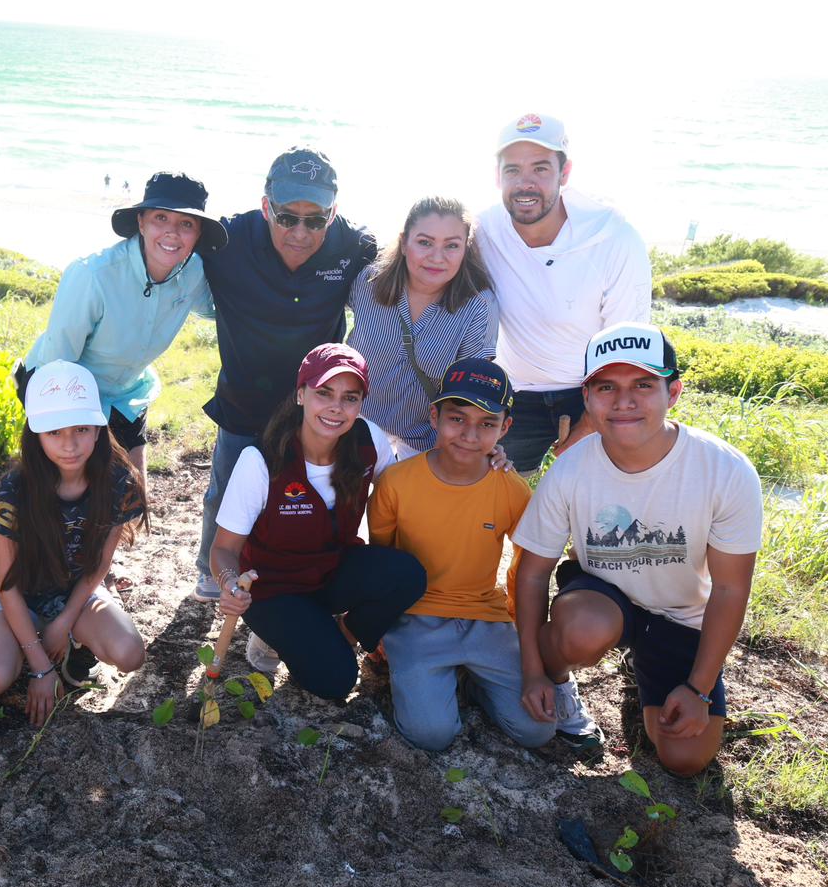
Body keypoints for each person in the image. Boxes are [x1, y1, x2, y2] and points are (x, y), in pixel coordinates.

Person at [512, 323, 762, 775]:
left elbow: (729, 589)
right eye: (607, 387)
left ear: (674, 392)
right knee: (582, 631)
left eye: (643, 385)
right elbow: (531, 573)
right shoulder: (570, 470)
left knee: (684, 759)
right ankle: (561, 678)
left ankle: (652, 667)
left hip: (681, 616)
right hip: (603, 599)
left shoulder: (725, 470)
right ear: (586, 398)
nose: (624, 402)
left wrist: (700, 690)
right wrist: (533, 670)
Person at [193, 146, 377, 601]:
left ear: (333, 213)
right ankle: (208, 573)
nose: (300, 231)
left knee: (305, 499)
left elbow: (409, 271)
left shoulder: (355, 246)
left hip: (314, 404)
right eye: (286, 216)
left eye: (316, 219)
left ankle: (296, 579)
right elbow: (166, 247)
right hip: (243, 398)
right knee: (225, 493)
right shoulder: (225, 239)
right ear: (264, 206)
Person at [210, 344, 426, 698]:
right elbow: (223, 549)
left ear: (361, 404)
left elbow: (408, 493)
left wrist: (479, 456)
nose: (336, 408)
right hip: (274, 589)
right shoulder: (260, 460)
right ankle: (276, 638)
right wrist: (230, 584)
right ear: (300, 394)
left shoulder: (369, 440)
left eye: (350, 397)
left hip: (332, 570)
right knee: (336, 681)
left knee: (407, 575)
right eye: (323, 393)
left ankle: (338, 633)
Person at [369, 358, 553, 751]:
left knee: (537, 730)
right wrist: (379, 626)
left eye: (487, 423)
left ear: (505, 428)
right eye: (457, 418)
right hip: (414, 617)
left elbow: (526, 571)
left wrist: (526, 643)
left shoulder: (512, 490)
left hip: (485, 618)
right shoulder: (396, 483)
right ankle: (439, 678)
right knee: (430, 735)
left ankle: (470, 681)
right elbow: (378, 561)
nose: (470, 434)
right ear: (434, 417)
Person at [18, 171, 227, 489]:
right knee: (71, 497)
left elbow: (219, 309)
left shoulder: (193, 272)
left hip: (127, 392)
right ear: (141, 222)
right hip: (61, 388)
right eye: (161, 218)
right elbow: (59, 365)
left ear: (198, 234)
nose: (172, 233)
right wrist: (76, 431)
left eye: (186, 224)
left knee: (132, 497)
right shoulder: (93, 276)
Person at [0, 360, 149, 725]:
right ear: (35, 434)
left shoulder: (120, 484)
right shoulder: (12, 491)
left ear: (99, 429)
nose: (69, 445)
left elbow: (99, 564)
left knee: (130, 653)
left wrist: (64, 620)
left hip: (76, 593)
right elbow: (7, 586)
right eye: (54, 432)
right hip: (15, 597)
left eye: (81, 428)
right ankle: (25, 648)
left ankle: (75, 649)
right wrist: (39, 667)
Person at [477, 113, 651, 473]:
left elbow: (629, 345)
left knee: (593, 508)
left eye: (540, 168)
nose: (525, 184)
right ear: (497, 177)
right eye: (512, 170)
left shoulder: (615, 238)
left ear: (565, 173)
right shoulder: (483, 230)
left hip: (591, 392)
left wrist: (590, 421)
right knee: (496, 500)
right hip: (514, 393)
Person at [347, 196, 500, 458]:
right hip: (357, 429)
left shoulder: (478, 306)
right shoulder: (369, 281)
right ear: (404, 242)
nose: (436, 257)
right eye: (424, 242)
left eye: (451, 245)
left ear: (466, 249)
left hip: (423, 443)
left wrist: (481, 444)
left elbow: (471, 392)